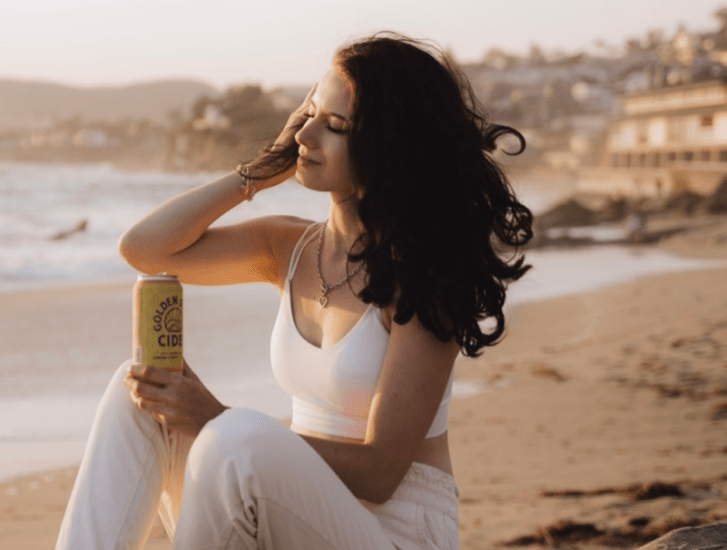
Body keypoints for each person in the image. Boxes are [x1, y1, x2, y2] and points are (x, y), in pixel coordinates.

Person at [56, 32, 533, 550]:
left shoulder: (425, 277)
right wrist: (259, 173)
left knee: (236, 438)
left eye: (335, 126)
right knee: (140, 392)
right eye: (308, 114)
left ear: (387, 147)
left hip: (395, 532)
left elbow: (380, 472)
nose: (305, 134)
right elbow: (145, 249)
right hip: (293, 514)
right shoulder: (289, 248)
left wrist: (215, 418)